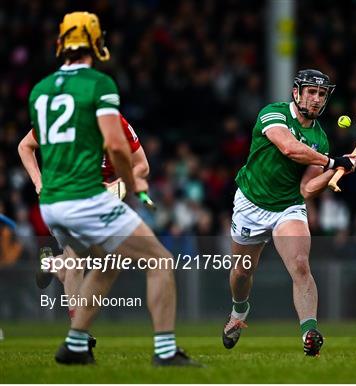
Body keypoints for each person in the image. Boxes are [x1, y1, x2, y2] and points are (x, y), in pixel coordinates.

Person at [26, 11, 198, 366]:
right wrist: (133, 184)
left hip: (52, 203)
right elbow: (118, 148)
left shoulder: (40, 91)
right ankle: (166, 352)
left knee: (107, 262)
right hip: (86, 198)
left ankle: (75, 344)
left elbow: (38, 145)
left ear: (62, 43)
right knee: (160, 261)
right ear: (96, 43)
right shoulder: (99, 85)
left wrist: (43, 183)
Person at [223, 69, 356, 356]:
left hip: (288, 207)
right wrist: (332, 160)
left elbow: (308, 189)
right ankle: (239, 312)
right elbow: (288, 148)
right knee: (242, 272)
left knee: (300, 264)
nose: (316, 99)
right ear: (296, 93)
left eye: (322, 94)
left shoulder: (320, 139)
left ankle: (309, 332)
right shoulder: (273, 113)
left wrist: (337, 169)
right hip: (250, 204)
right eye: (311, 92)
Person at [18, 114, 151, 324]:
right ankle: (78, 332)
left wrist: (120, 185)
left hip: (95, 202)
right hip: (61, 196)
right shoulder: (62, 117)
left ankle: (51, 264)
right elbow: (25, 146)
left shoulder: (119, 124)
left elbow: (142, 165)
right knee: (77, 260)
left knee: (71, 266)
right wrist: (38, 182)